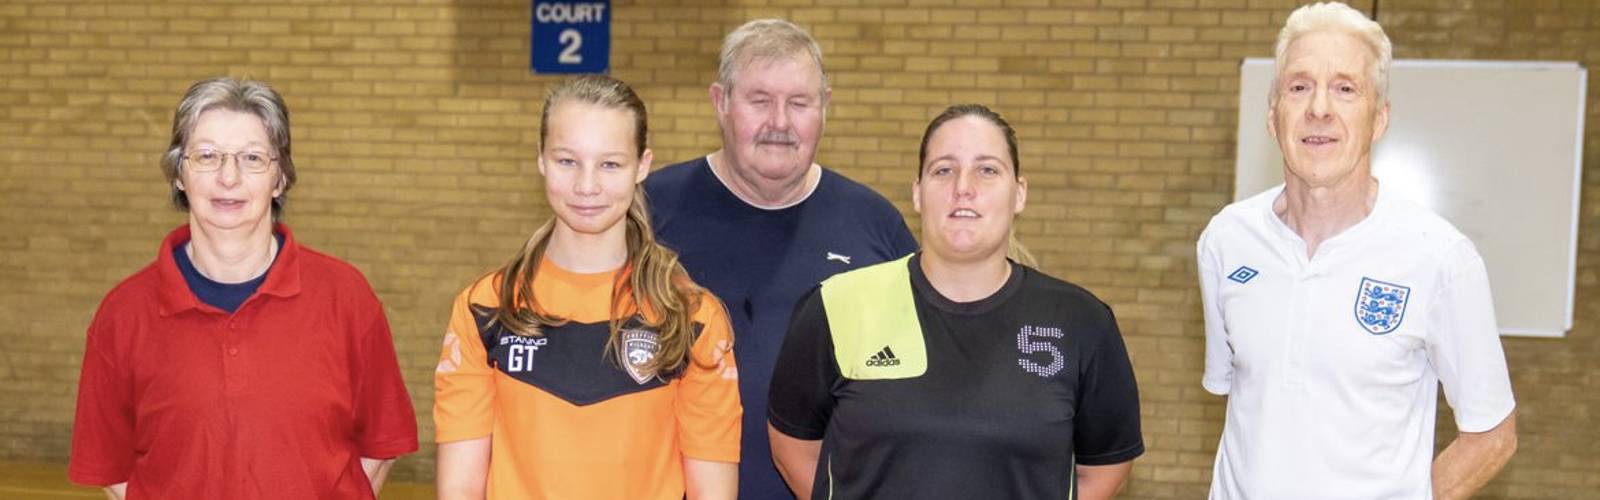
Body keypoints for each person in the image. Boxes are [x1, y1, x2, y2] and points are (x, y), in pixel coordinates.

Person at [1197, 3, 1518, 499]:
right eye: (1299, 87)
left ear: (1379, 118)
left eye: (1345, 89)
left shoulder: (1440, 259)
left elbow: (1492, 436)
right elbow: (1241, 397)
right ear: (1272, 115)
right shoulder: (1226, 240)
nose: (1319, 108)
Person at [768, 104, 1144, 500]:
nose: (963, 187)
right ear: (917, 192)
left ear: (1019, 194)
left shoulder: (1080, 321)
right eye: (943, 170)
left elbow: (1104, 466)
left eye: (987, 170)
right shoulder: (836, 306)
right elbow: (793, 446)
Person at [67, 77, 418, 499]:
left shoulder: (346, 297)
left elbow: (381, 446)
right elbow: (112, 465)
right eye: (207, 156)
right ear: (179, 173)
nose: (228, 178)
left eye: (252, 158)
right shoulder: (123, 313)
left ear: (280, 178)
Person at [644, 18, 918, 499]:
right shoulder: (648, 215)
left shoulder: (875, 225)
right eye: (759, 100)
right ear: (720, 102)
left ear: (825, 108)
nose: (780, 122)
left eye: (799, 103)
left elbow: (916, 391)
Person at [433, 75, 741, 500]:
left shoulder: (691, 317)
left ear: (643, 166)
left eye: (610, 164)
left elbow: (713, 492)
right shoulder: (485, 307)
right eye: (567, 161)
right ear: (540, 158)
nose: (587, 186)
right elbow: (460, 489)